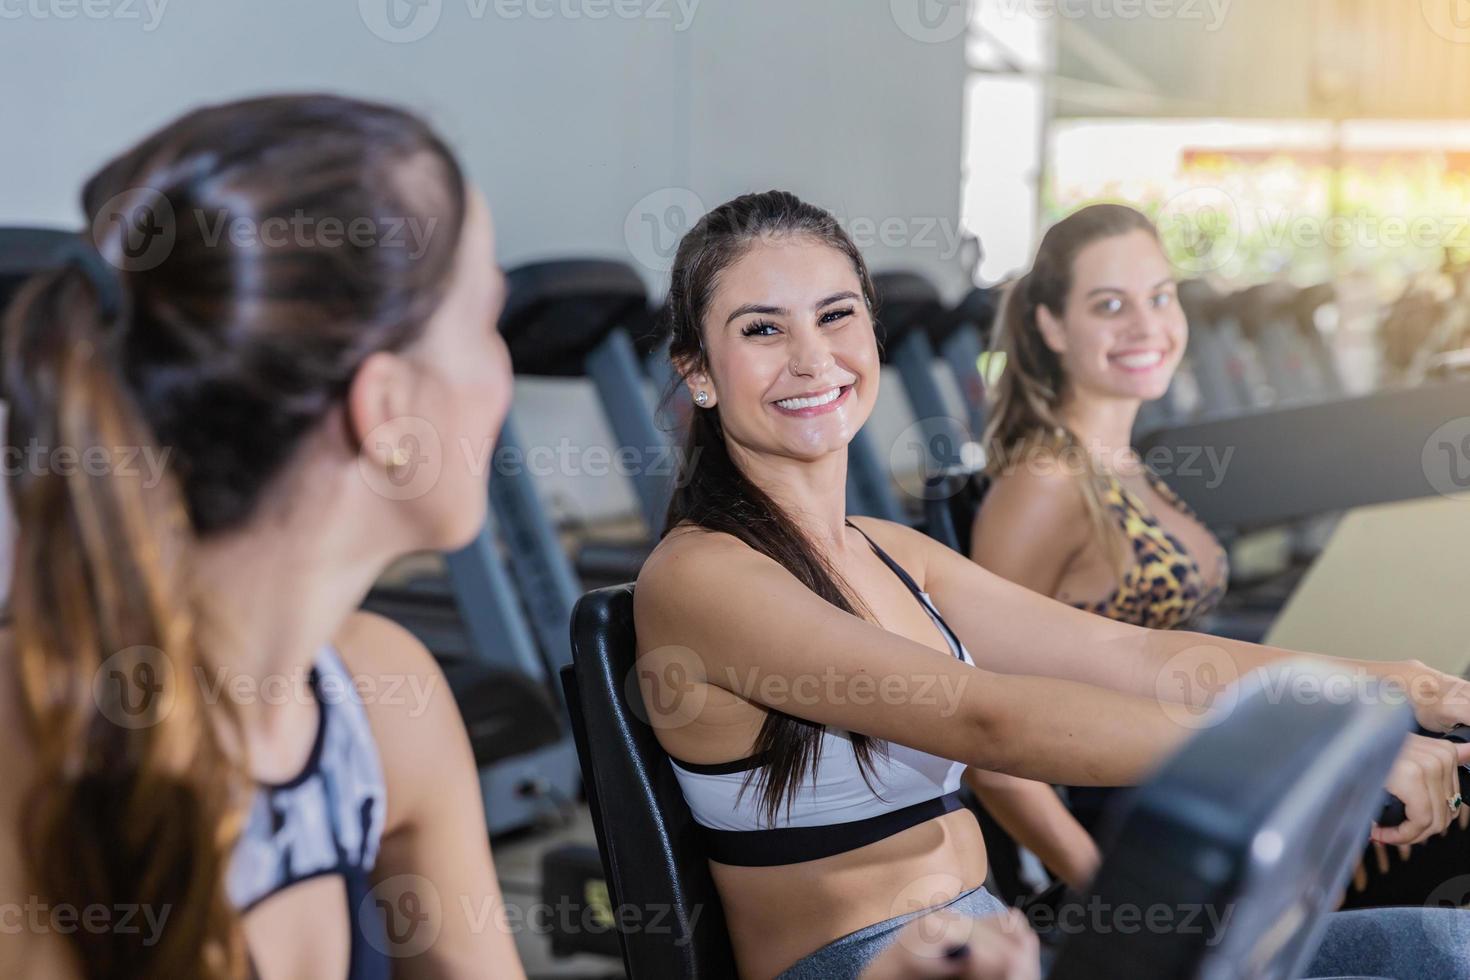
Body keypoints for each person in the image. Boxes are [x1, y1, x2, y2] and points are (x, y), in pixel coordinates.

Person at [634, 189, 1470, 979]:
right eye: (762, 330)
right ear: (698, 372)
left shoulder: (890, 551)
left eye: (835, 315)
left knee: (1445, 944)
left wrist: (1397, 685)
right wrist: (1311, 745)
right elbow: (988, 718)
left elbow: (1130, 651)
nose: (813, 357)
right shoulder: (700, 574)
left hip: (998, 939)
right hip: (865, 964)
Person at [0, 94, 526, 978]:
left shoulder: (385, 700)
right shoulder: (35, 732)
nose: (503, 372)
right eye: (485, 324)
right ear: (388, 410)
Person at [973, 201, 1470, 906]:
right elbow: (986, 745)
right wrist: (1101, 896)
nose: (1147, 325)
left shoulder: (1132, 466)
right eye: (1110, 305)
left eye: (1160, 297)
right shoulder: (1044, 483)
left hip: (1207, 779)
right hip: (1135, 824)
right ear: (1051, 325)